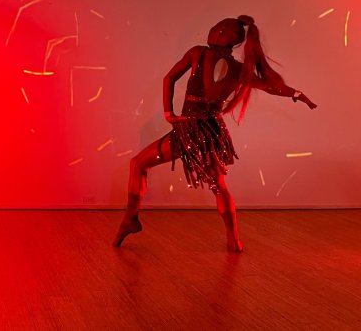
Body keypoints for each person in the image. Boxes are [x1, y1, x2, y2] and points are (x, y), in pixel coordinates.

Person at [112, 15, 318, 252]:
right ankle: (233, 239)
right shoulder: (224, 63)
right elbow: (269, 86)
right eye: (217, 27)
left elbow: (170, 78)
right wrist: (298, 95)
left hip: (193, 131)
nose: (215, 31)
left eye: (221, 30)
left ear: (229, 39)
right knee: (217, 185)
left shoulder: (201, 54)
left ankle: (130, 219)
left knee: (139, 164)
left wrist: (297, 94)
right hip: (208, 132)